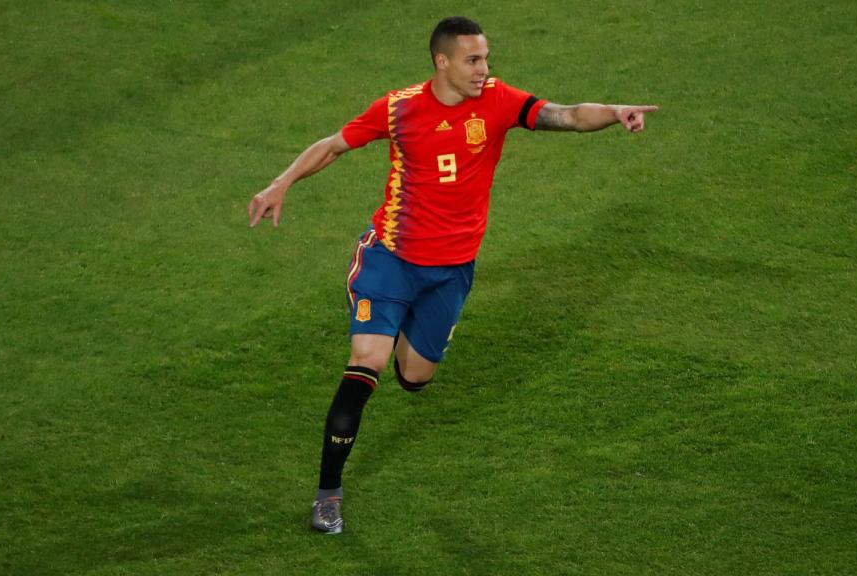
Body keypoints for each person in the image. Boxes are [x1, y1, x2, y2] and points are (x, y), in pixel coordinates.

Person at [247, 16, 657, 534]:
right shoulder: (399, 109)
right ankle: (328, 493)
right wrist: (281, 183)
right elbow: (333, 145)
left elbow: (568, 115)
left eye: (485, 58)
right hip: (389, 261)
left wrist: (615, 112)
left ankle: (400, 330)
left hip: (450, 272)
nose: (484, 69)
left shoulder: (499, 100)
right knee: (366, 362)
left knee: (415, 378)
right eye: (473, 60)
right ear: (442, 62)